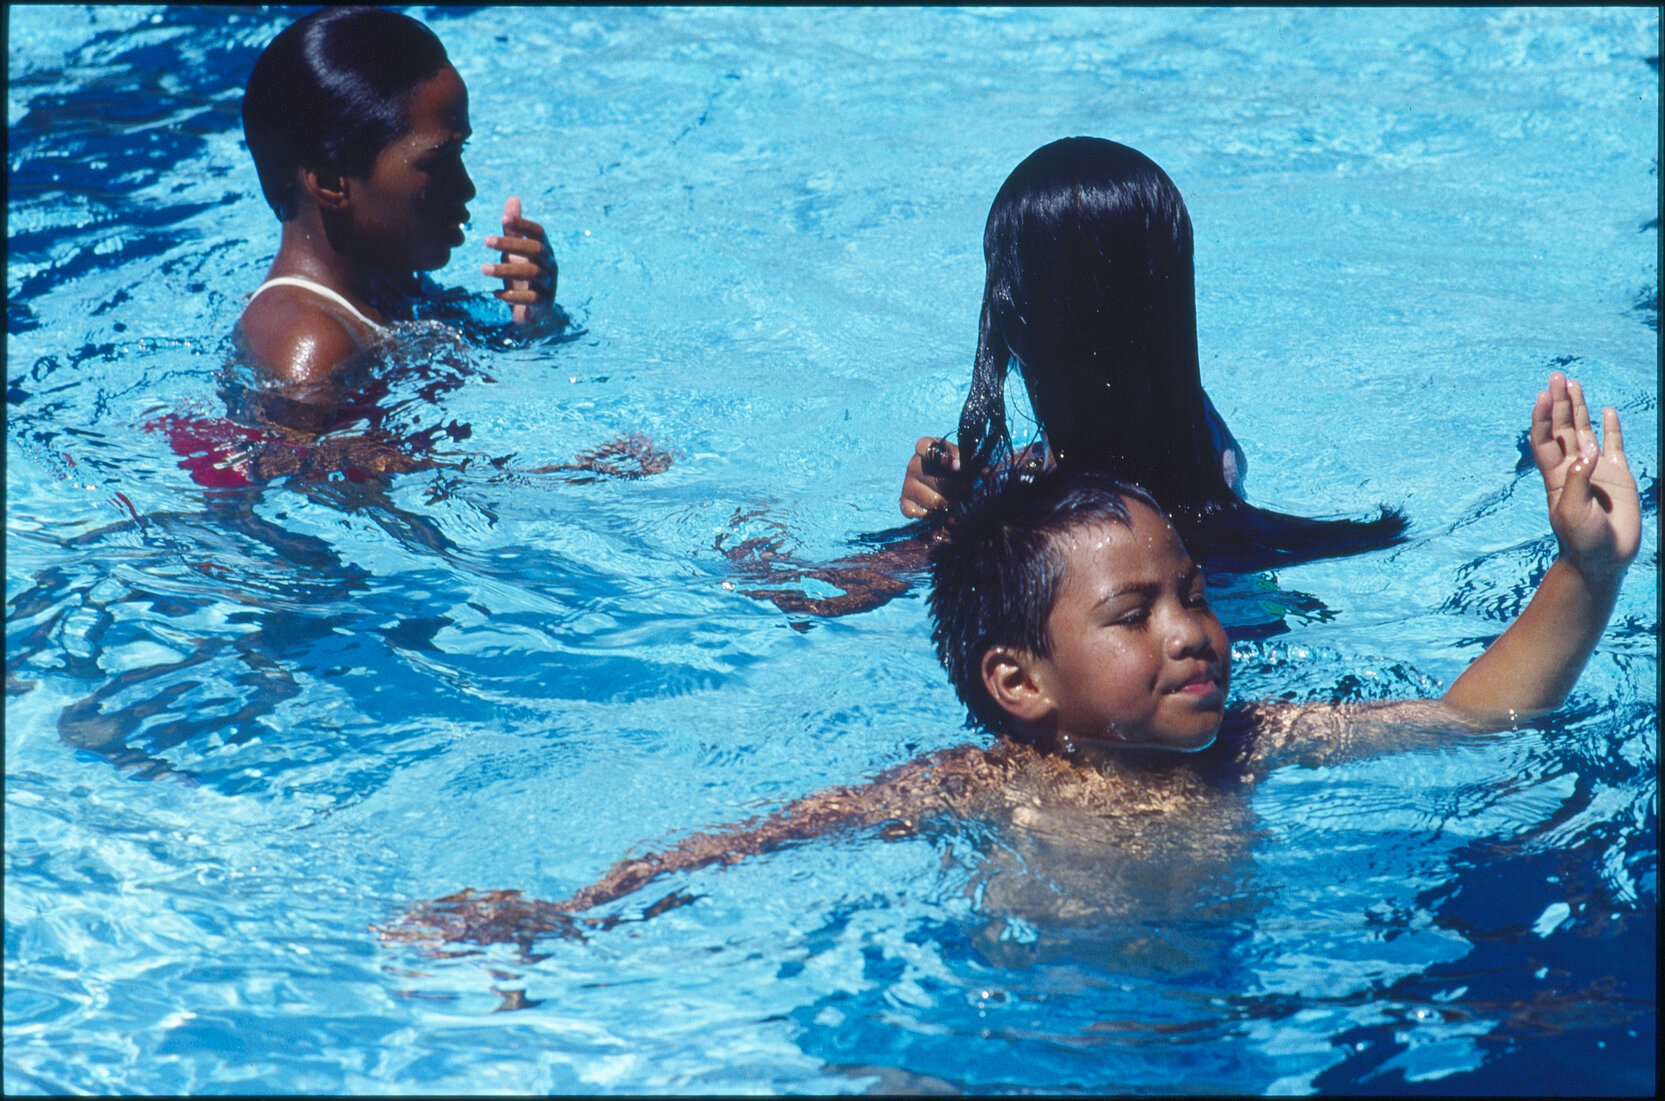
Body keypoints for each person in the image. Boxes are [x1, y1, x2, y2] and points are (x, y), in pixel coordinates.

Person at [381, 372, 1639, 952]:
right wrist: (564, 916)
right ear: (1018, 682)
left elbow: (1474, 719)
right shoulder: (984, 788)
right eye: (1134, 613)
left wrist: (1586, 569)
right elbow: (753, 844)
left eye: (1193, 597)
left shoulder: (1250, 746)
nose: (1194, 632)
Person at [898, 136, 1406, 573]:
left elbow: (853, 593)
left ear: (1012, 323)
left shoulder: (1074, 532)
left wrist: (949, 532)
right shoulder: (1198, 441)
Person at [236, 5, 557, 426]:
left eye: (461, 154)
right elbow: (331, 483)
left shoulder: (388, 286)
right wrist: (572, 474)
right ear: (332, 182)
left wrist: (534, 322)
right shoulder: (312, 346)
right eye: (438, 161)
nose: (466, 188)